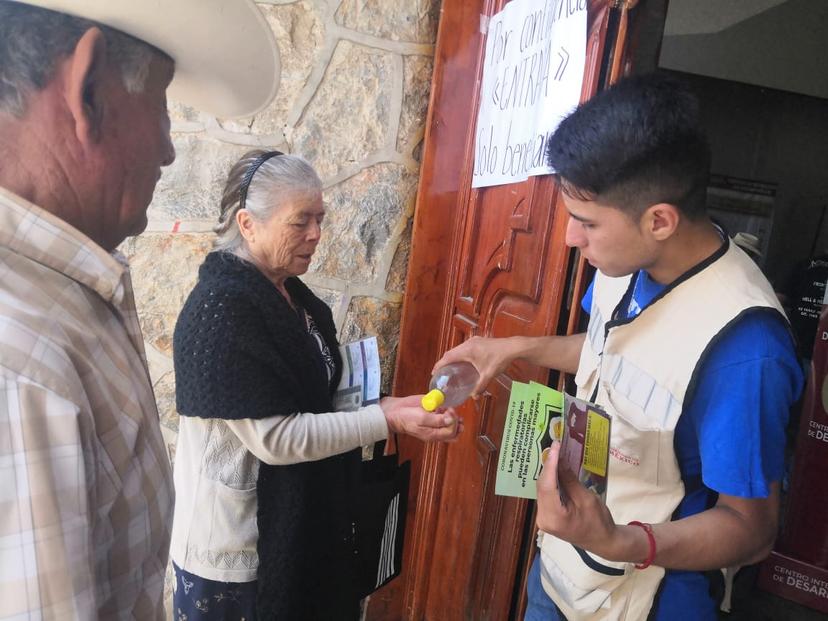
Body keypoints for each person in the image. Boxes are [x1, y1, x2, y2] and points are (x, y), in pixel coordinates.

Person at [435, 73, 803, 621]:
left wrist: (617, 541)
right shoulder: (624, 262)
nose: (569, 239)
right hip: (566, 569)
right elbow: (612, 349)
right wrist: (512, 347)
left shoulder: (746, 349)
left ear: (659, 220)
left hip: (647, 598)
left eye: (586, 223)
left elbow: (750, 531)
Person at [0, 1, 279, 618]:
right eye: (160, 104)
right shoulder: (20, 366)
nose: (168, 149)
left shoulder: (58, 299)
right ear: (88, 90)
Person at [171, 150, 463, 620]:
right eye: (300, 221)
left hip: (297, 532)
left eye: (320, 219)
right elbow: (277, 439)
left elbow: (327, 398)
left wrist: (394, 404)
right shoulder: (221, 311)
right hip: (237, 557)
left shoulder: (296, 300)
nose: (316, 234)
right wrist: (384, 418)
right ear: (248, 224)